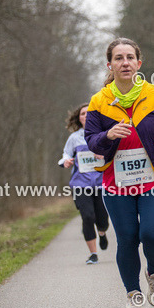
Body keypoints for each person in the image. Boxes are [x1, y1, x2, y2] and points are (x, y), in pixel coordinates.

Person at [85, 38, 154, 308]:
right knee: (127, 238)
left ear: (139, 63)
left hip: (153, 179)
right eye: (118, 58)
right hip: (117, 183)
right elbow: (91, 140)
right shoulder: (99, 101)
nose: (124, 63)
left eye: (129, 58)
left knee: (152, 234)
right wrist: (107, 135)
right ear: (110, 65)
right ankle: (133, 294)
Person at [59, 104, 110, 264]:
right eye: (83, 113)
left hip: (101, 184)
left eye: (89, 113)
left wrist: (104, 156)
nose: (86, 116)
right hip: (80, 185)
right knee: (87, 217)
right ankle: (93, 254)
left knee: (103, 220)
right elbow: (66, 154)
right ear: (78, 118)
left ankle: (102, 232)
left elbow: (113, 154)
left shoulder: (103, 135)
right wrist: (66, 161)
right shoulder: (74, 138)